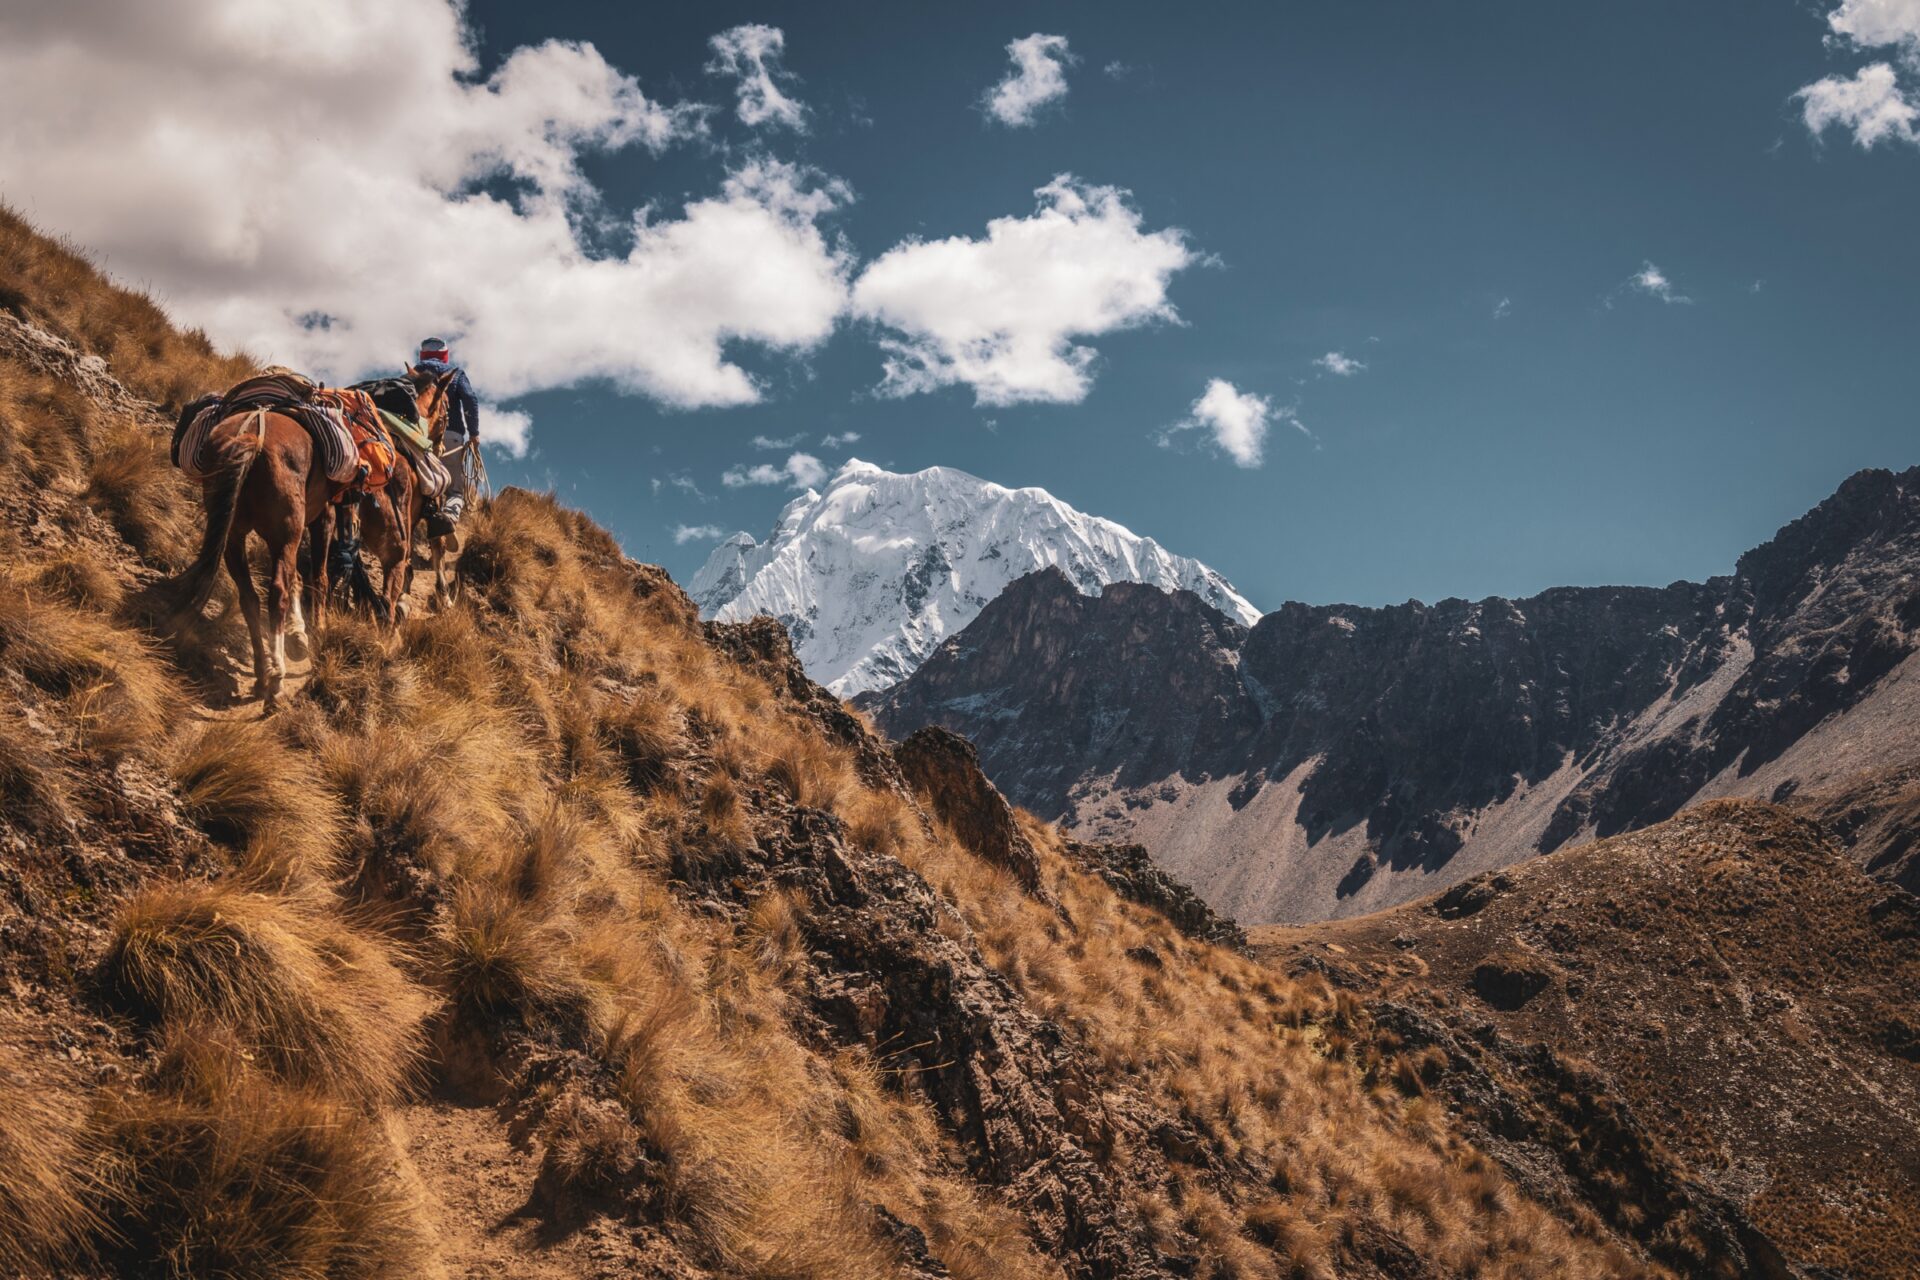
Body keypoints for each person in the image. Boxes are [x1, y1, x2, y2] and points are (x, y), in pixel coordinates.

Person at [415, 337, 480, 539]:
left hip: (418, 437)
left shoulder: (413, 374)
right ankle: (448, 519)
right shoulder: (456, 374)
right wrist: (474, 433)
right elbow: (469, 399)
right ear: (445, 356)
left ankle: (417, 527)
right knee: (455, 491)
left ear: (422, 355)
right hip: (451, 436)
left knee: (420, 487)